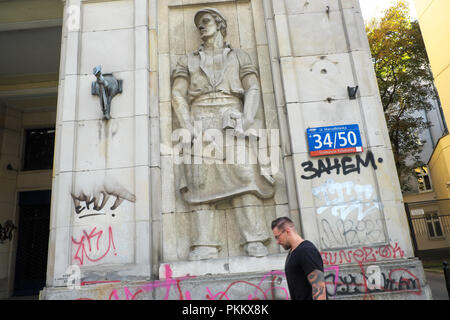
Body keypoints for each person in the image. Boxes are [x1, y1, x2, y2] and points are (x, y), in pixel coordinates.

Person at [171, 8, 275, 261]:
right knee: (200, 182)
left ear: (219, 24)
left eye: (205, 22)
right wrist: (188, 126)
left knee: (244, 175)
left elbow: (253, 89)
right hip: (200, 118)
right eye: (198, 25)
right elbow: (177, 94)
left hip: (232, 116)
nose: (201, 27)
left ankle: (254, 239)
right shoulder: (188, 60)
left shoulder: (240, 55)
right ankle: (204, 243)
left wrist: (246, 120)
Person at [271, 217, 327, 300]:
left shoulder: (306, 250)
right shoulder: (292, 252)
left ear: (287, 231)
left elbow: (319, 289)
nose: (277, 242)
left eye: (277, 237)